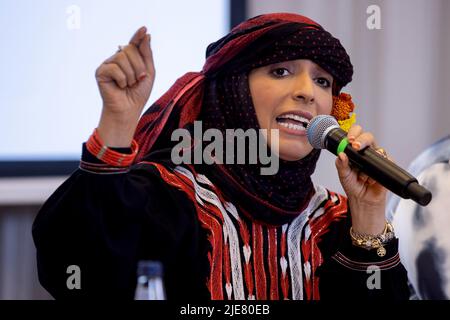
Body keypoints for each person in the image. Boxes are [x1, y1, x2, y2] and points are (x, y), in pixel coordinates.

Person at [32, 13, 410, 300]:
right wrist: (117, 123)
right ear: (233, 92)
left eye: (323, 81)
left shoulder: (337, 217)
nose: (307, 92)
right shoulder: (166, 196)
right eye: (281, 70)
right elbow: (75, 273)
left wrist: (369, 215)